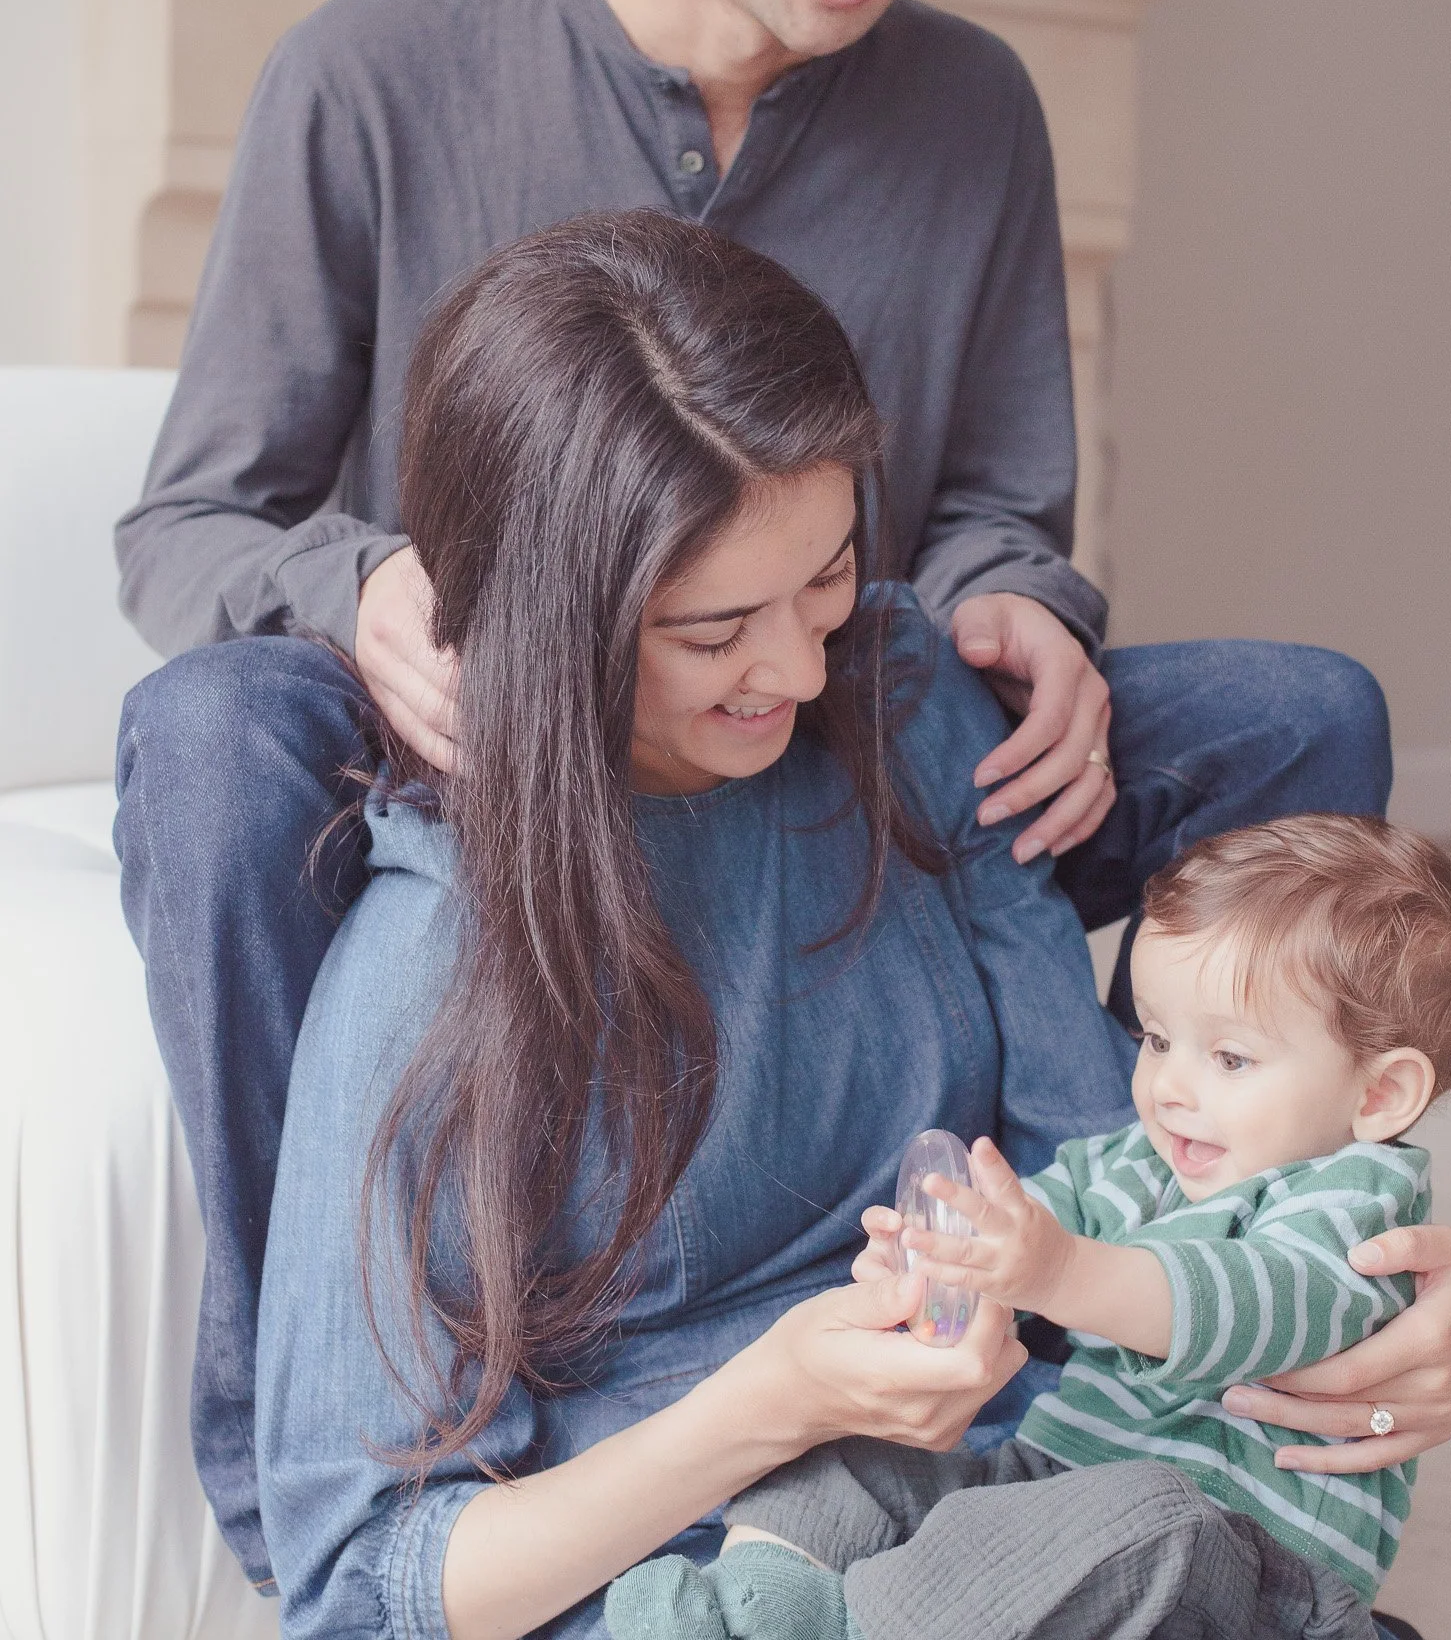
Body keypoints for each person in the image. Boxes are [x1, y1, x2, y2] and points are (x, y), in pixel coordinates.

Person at [111, 0, 1451, 1594]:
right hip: (467, 713)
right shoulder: (376, 71)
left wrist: (1015, 605)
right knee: (208, 734)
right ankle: (335, 1469)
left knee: (1303, 710)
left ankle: (1204, 1270)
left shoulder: (972, 108)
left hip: (864, 694)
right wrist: (364, 588)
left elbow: (997, 504)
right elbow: (188, 523)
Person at [253, 213, 1140, 1640]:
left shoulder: (901, 702)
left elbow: (1108, 1183)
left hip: (998, 1495)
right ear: (555, 625)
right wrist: (773, 1403)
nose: (799, 667)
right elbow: (366, 1585)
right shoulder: (430, 967)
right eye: (714, 630)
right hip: (681, 1576)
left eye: (826, 575)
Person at [607, 816, 1451, 1640]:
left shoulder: (1358, 1199)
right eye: (1156, 1039)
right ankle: (760, 1604)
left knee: (1147, 1518)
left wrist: (1060, 1273)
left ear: (1380, 1094)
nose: (1171, 1086)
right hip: (1050, 1479)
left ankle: (856, 1624)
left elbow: (1250, 1304)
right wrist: (953, 1255)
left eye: (1230, 1057)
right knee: (851, 1457)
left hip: (1245, 1565)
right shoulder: (1142, 1159)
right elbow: (1040, 1219)